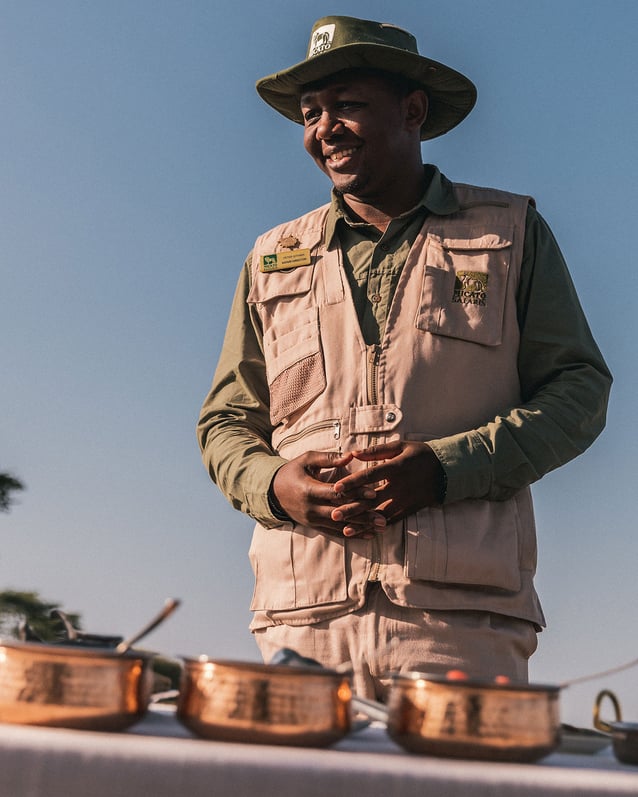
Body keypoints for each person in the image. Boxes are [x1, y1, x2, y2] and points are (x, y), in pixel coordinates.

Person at [197, 15, 611, 699]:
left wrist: (447, 468)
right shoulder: (271, 260)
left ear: (412, 111)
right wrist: (276, 486)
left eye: (349, 105)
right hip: (303, 622)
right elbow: (225, 423)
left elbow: (579, 391)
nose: (324, 128)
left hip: (460, 620)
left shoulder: (510, 232)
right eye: (310, 113)